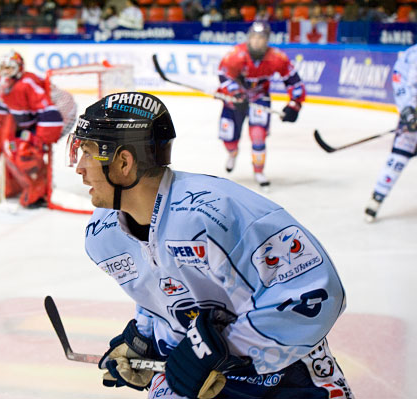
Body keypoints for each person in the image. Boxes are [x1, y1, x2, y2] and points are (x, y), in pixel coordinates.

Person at [65, 91, 354, 398]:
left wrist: (222, 351)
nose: (80, 167)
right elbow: (162, 287)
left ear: (124, 162)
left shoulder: (217, 213)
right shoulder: (103, 234)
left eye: (88, 152)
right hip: (194, 377)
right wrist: (144, 339)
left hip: (284, 377)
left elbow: (315, 295)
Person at [216, 21, 305, 188]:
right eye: (254, 37)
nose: (257, 41)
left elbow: (294, 81)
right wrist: (236, 93)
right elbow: (223, 75)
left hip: (259, 97)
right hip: (235, 99)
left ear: (267, 40)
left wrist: (295, 104)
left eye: (261, 38)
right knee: (229, 138)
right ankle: (232, 152)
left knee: (258, 135)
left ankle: (258, 171)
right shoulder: (236, 55)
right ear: (249, 38)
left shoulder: (277, 58)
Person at [0, 50, 75, 207]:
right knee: (7, 149)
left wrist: (41, 139)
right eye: (3, 68)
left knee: (27, 155)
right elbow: (1, 107)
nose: (5, 72)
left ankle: (40, 191)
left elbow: (48, 112)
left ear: (19, 68)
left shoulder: (27, 83)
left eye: (9, 68)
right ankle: (12, 184)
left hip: (54, 117)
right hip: (24, 120)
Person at [365, 44, 417, 222]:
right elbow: (399, 79)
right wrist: (408, 111)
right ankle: (377, 198)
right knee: (398, 159)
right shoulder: (412, 55)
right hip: (413, 118)